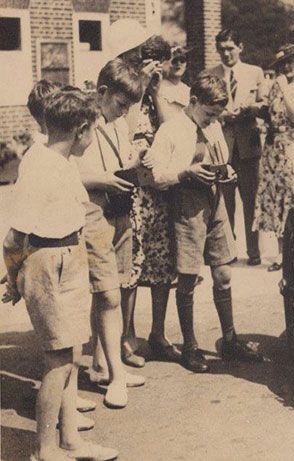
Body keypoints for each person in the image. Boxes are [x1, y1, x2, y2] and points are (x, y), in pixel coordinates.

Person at [3, 89, 118, 461]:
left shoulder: (64, 160)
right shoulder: (40, 166)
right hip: (48, 262)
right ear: (81, 130)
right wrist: (14, 278)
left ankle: (70, 441)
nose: (93, 138)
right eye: (93, 131)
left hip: (71, 254)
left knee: (72, 351)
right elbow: (13, 239)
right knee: (58, 360)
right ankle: (44, 449)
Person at [148, 72, 263, 373]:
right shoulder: (171, 130)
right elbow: (156, 176)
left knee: (223, 273)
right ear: (194, 101)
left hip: (215, 201)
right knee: (188, 278)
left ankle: (230, 339)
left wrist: (228, 171)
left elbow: (221, 158)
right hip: (186, 205)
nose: (213, 120)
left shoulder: (213, 127)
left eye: (217, 116)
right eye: (209, 114)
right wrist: (185, 173)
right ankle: (190, 346)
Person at [75, 58, 146, 408]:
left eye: (129, 107)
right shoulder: (81, 123)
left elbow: (123, 155)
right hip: (95, 213)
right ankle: (116, 376)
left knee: (112, 289)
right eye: (120, 104)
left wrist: (136, 159)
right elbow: (69, 172)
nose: (124, 112)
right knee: (108, 295)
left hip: (120, 210)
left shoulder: (118, 123)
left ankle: (102, 364)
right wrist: (102, 180)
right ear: (102, 92)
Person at [119, 36, 182, 367]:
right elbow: (126, 134)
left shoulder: (163, 96)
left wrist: (155, 91)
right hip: (132, 192)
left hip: (159, 192)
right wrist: (141, 87)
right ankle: (126, 336)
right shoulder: (126, 96)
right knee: (131, 264)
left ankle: (158, 333)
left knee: (162, 265)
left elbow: (174, 132)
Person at [253, 44, 294, 272]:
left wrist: (284, 90)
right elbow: (270, 115)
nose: (286, 67)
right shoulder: (275, 87)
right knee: (275, 202)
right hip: (273, 151)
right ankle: (281, 255)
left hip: (293, 151)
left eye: (290, 62)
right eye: (282, 64)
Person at [207, 29, 265, 266]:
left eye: (230, 48)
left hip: (248, 146)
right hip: (222, 146)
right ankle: (228, 252)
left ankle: (254, 251)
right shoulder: (210, 75)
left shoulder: (255, 72)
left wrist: (250, 109)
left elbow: (264, 103)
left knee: (251, 201)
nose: (226, 53)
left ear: (241, 47)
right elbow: (204, 107)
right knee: (224, 202)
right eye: (221, 49)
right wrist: (221, 114)